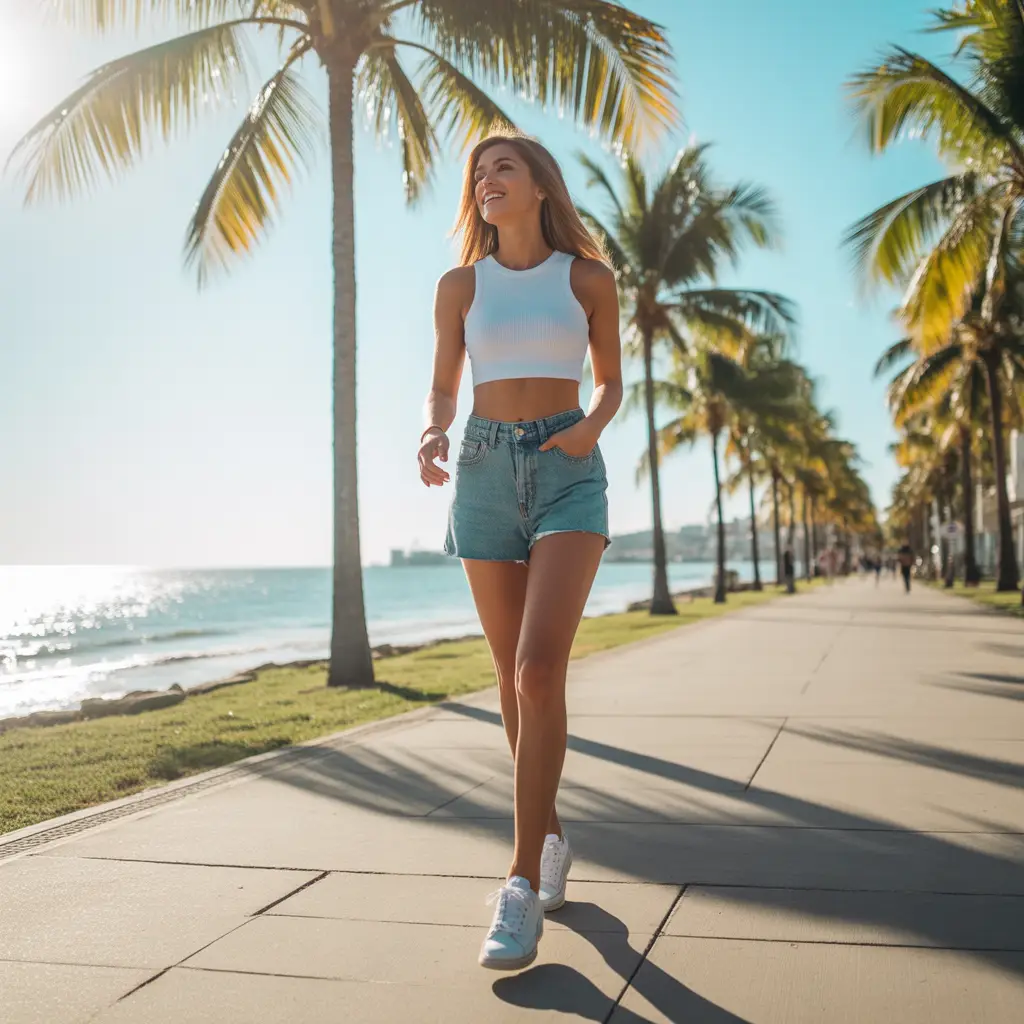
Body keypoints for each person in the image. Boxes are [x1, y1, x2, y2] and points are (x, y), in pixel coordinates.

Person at [417, 133, 622, 971]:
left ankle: (519, 884)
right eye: (479, 173)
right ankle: (551, 838)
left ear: (540, 186)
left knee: (539, 672)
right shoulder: (461, 285)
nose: (487, 180)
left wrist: (588, 430)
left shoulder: (588, 278)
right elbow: (443, 382)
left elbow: (611, 381)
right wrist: (432, 429)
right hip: (483, 469)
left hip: (567, 467)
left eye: (504, 167)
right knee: (508, 677)